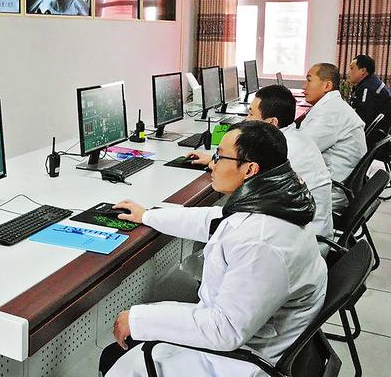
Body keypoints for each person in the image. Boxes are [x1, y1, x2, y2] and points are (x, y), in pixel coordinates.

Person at [100, 121, 326, 377]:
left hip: (242, 358)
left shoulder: (261, 241)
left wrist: (138, 319)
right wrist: (147, 215)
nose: (212, 164)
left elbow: (224, 330)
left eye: (220, 157)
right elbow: (213, 219)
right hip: (248, 330)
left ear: (250, 169)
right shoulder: (273, 201)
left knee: (118, 355)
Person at [189, 84, 333, 254]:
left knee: (213, 228)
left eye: (251, 114)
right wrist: (218, 159)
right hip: (301, 230)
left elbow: (243, 178)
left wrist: (222, 162)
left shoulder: (283, 150)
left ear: (272, 123)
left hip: (303, 240)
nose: (246, 120)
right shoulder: (292, 138)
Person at [300, 63, 367, 213]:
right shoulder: (332, 106)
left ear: (327, 86)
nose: (304, 86)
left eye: (309, 80)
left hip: (330, 193)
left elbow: (300, 152)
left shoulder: (329, 114)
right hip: (338, 185)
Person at [347, 54, 391, 126]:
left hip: (376, 131)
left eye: (351, 68)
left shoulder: (368, 88)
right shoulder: (371, 82)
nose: (349, 72)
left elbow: (362, 120)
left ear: (363, 70)